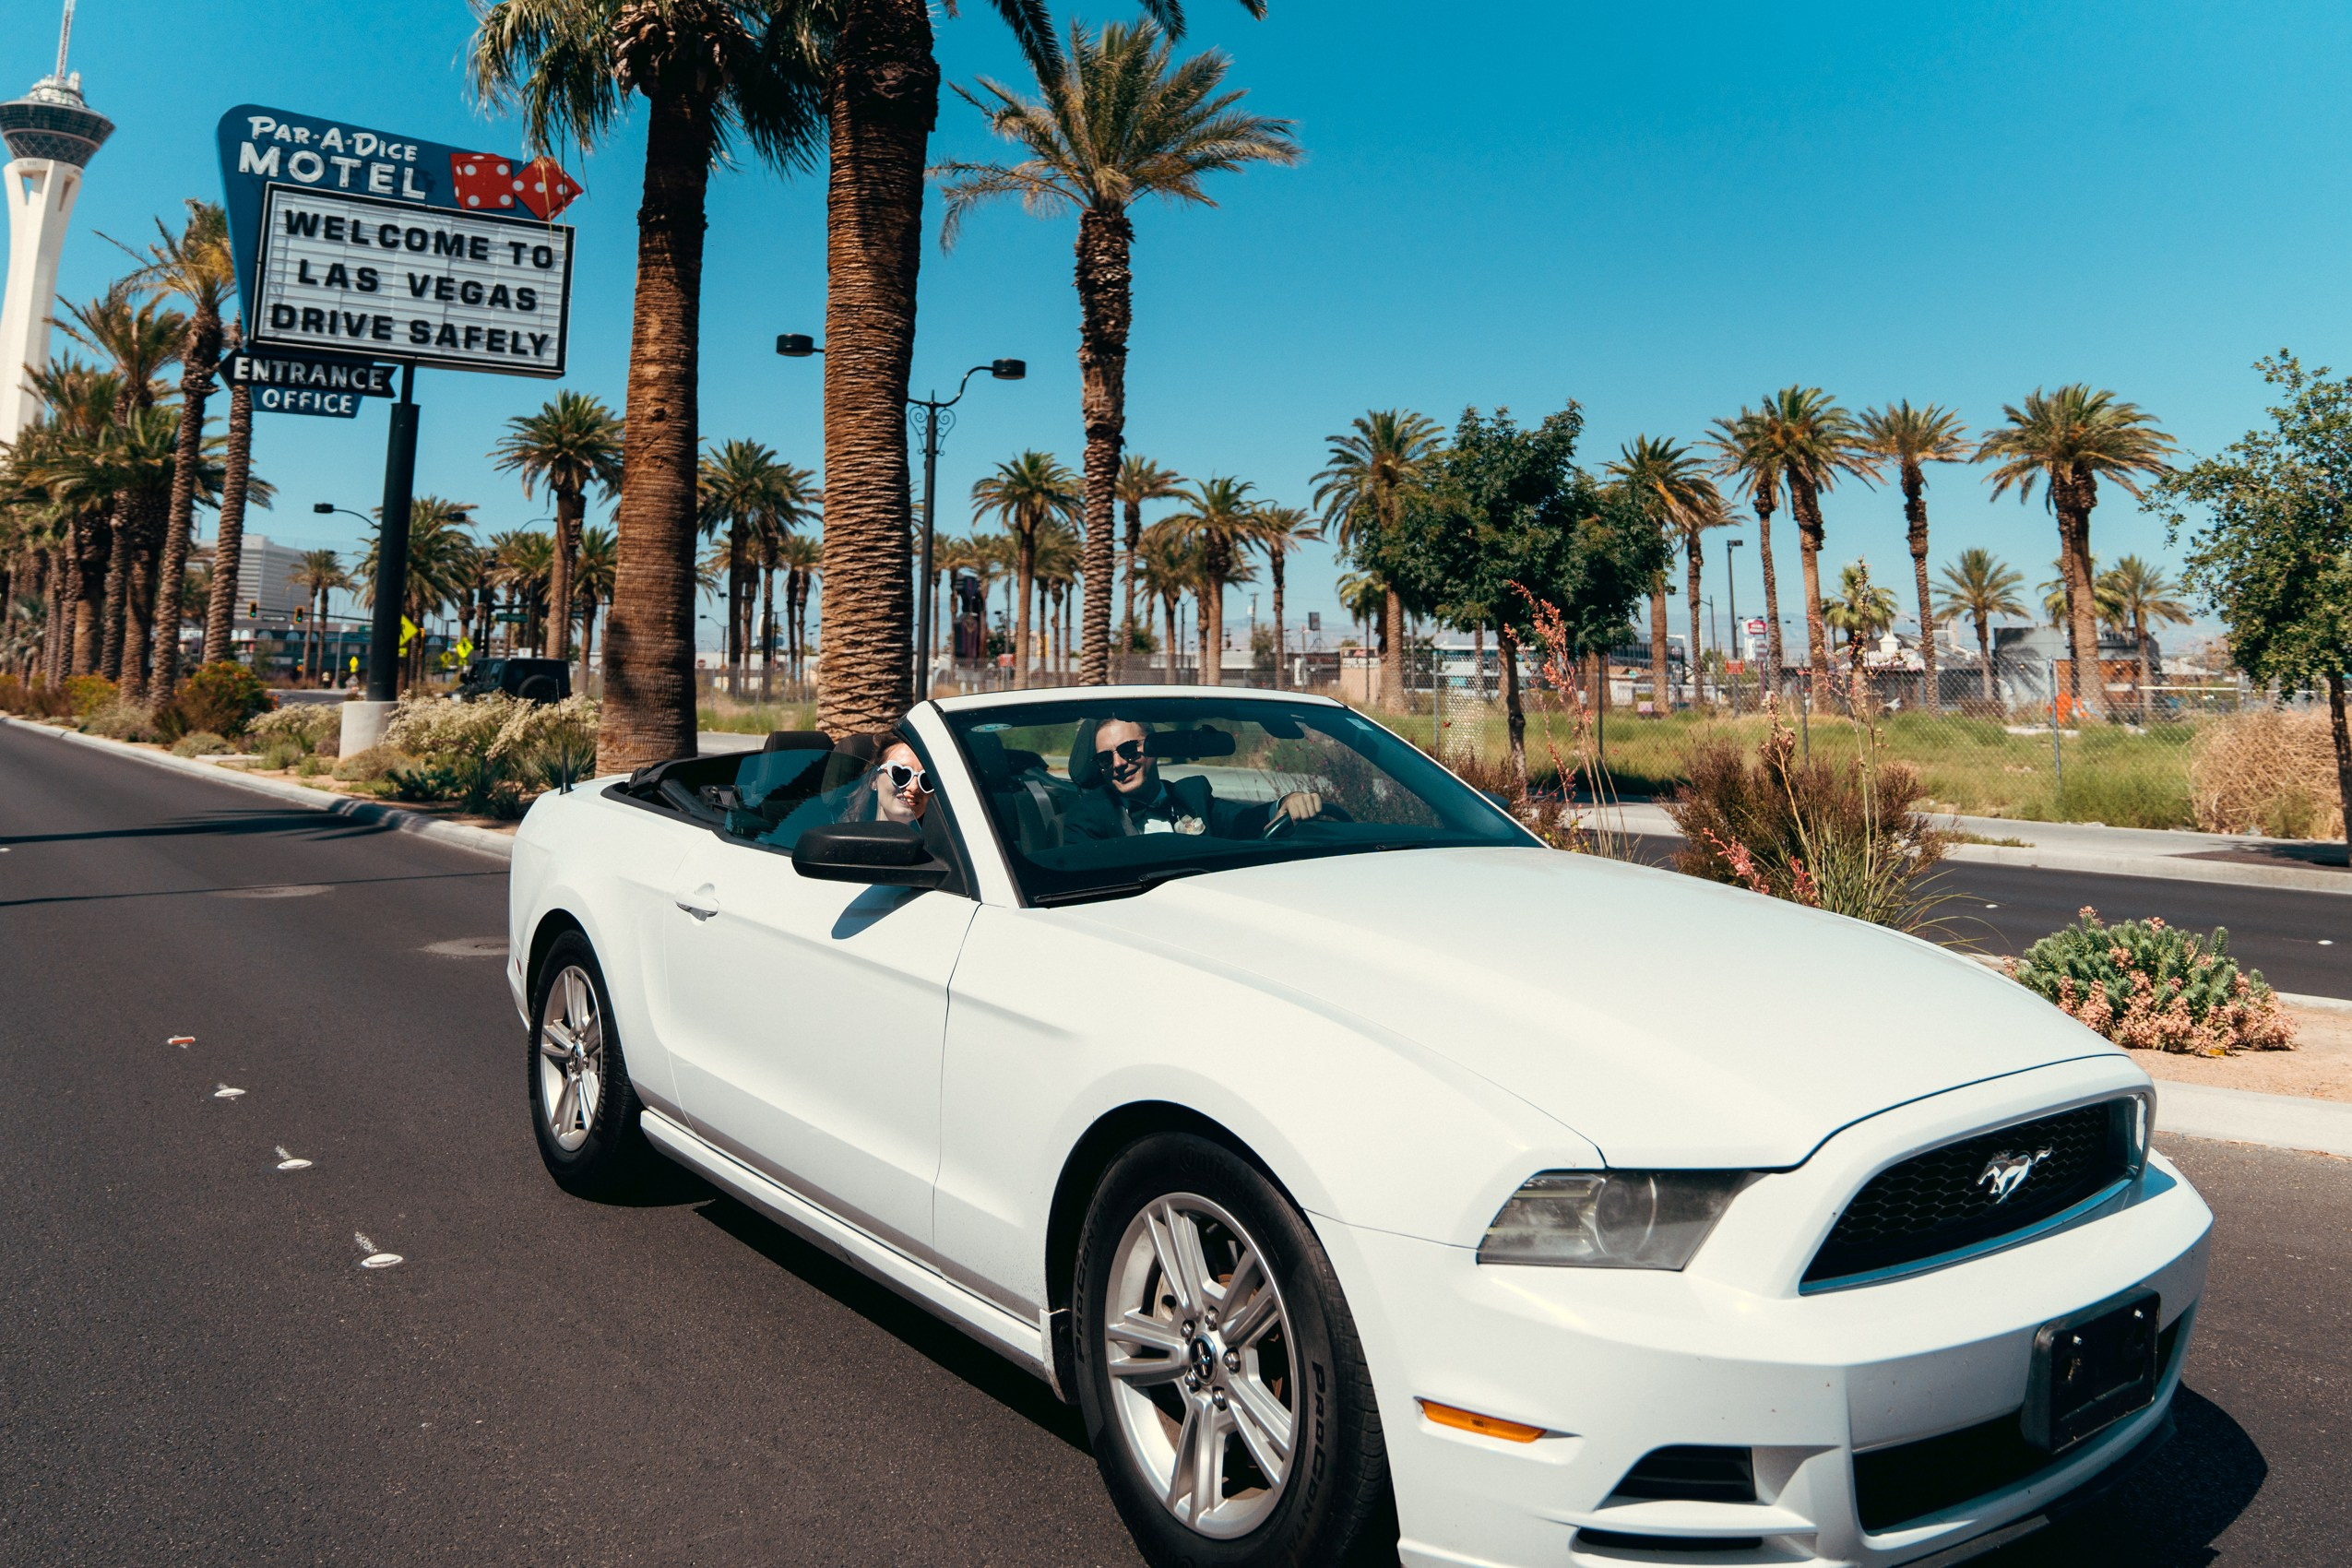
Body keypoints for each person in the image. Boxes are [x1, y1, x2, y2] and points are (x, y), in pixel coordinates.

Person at [1062, 717, 1320, 840]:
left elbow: (1244, 820)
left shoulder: (1193, 795)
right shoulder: (1086, 816)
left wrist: (1287, 802)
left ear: (1154, 747)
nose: (1118, 764)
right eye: (1105, 759)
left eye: (1129, 749)